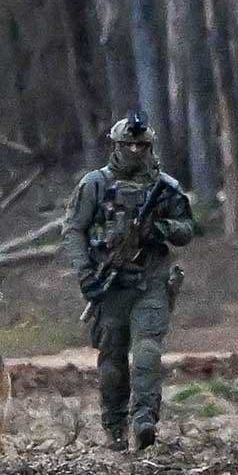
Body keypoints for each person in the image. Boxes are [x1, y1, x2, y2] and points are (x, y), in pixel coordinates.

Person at [62, 112, 194, 451]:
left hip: (150, 281)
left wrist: (158, 230)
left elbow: (186, 229)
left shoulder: (165, 187)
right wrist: (85, 273)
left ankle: (144, 420)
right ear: (116, 146)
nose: (135, 151)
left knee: (148, 352)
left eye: (142, 145)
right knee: (112, 362)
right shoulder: (94, 184)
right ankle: (115, 426)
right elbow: (74, 230)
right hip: (109, 285)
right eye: (128, 145)